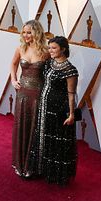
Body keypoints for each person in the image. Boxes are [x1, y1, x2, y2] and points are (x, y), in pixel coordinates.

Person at [32, 36, 79, 185]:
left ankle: (57, 175)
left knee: (57, 142)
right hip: (44, 107)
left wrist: (71, 114)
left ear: (63, 49)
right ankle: (43, 170)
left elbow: (71, 94)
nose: (50, 50)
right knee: (44, 136)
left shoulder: (70, 70)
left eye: (54, 48)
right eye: (49, 47)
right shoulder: (49, 63)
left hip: (59, 110)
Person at [10, 20, 48, 178]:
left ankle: (33, 165)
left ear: (37, 33)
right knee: (22, 125)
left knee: (35, 127)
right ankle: (20, 162)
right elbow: (13, 64)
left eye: (29, 32)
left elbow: (49, 74)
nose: (25, 35)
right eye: (24, 32)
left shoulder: (45, 51)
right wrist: (13, 79)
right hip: (23, 94)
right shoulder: (20, 48)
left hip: (38, 94)